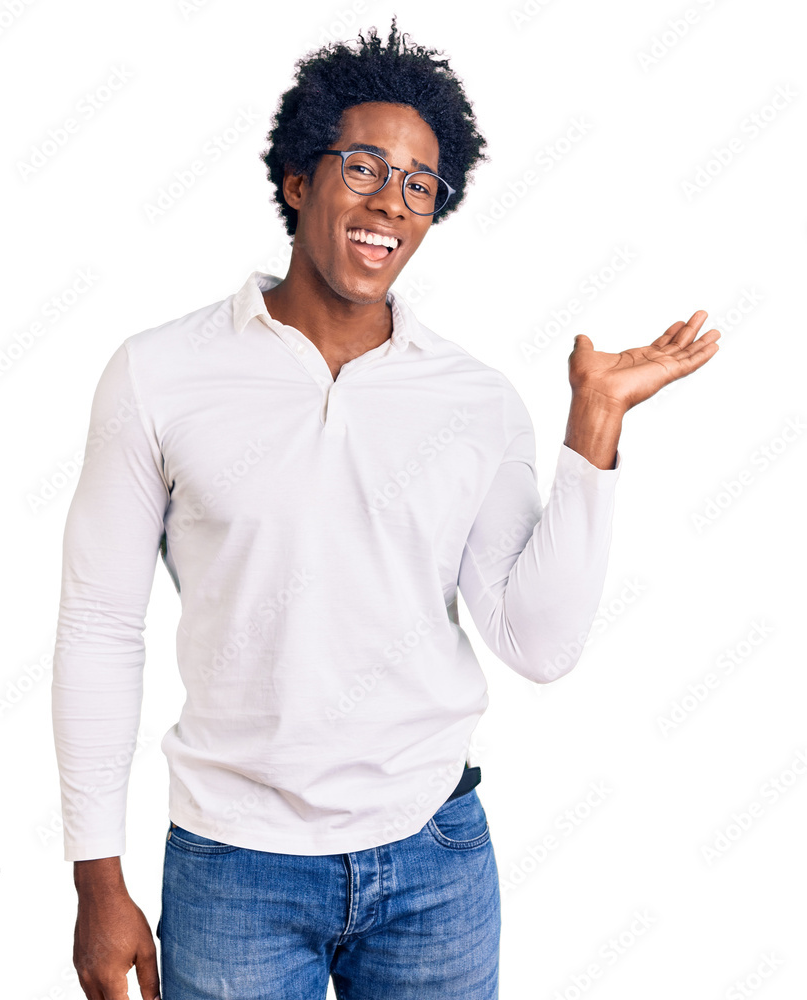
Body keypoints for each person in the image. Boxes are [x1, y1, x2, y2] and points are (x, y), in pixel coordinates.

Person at [51, 18, 720, 1000]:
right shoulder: (158, 375)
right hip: (235, 861)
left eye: (418, 184)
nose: (390, 203)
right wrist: (95, 877)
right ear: (295, 179)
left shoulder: (473, 399)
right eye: (363, 167)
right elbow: (100, 625)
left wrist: (593, 426)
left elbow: (535, 642)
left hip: (433, 857)